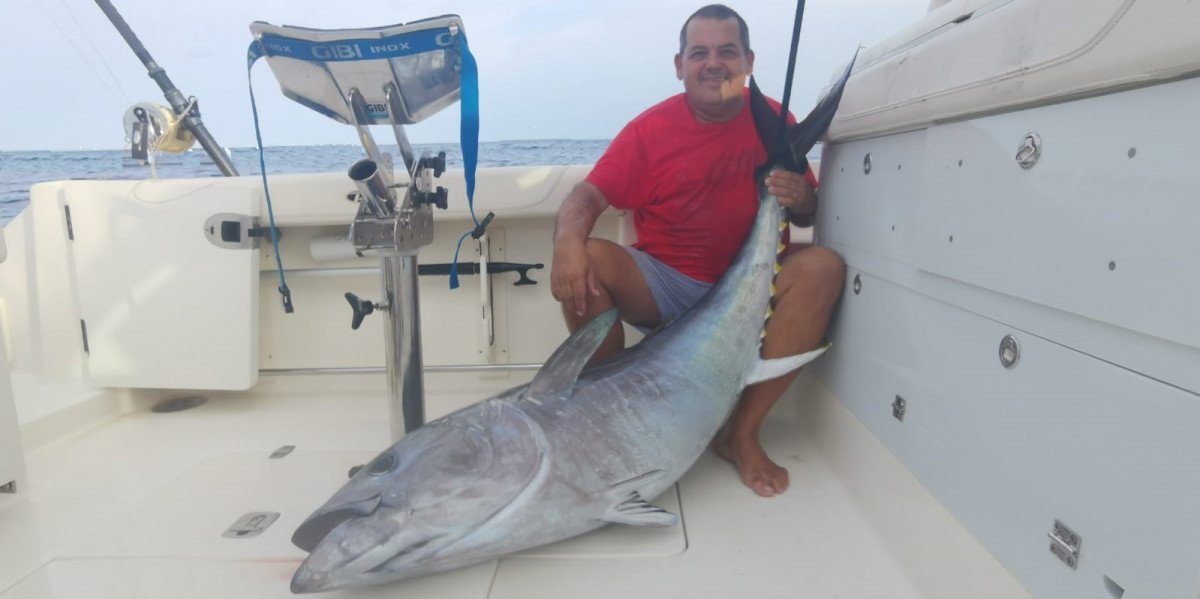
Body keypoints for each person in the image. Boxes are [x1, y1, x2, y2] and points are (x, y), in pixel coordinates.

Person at [549, 4, 845, 498]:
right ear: (679, 65)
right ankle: (605, 411)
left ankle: (741, 434)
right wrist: (565, 241)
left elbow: (808, 214)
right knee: (591, 257)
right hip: (666, 283)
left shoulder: (775, 119)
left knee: (822, 268)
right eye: (699, 53)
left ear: (748, 60)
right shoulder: (650, 129)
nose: (714, 63)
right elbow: (587, 196)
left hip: (751, 285)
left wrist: (803, 197)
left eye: (727, 52)